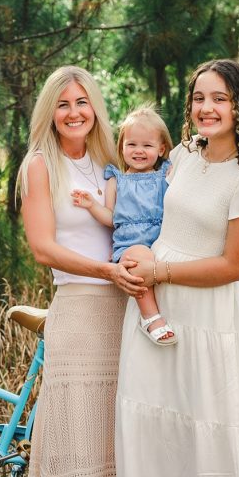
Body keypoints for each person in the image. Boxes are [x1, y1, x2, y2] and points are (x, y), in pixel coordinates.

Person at [91, 59, 239, 477]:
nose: (206, 108)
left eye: (219, 98)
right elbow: (142, 209)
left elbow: (235, 264)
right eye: (199, 98)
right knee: (144, 416)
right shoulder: (180, 155)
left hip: (206, 310)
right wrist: (135, 261)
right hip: (154, 303)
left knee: (210, 421)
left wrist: (162, 268)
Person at [17, 66, 164, 477]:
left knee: (114, 421)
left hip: (125, 303)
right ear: (50, 113)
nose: (74, 112)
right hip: (80, 302)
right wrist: (104, 269)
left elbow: (145, 214)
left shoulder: (110, 160)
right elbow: (43, 248)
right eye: (63, 104)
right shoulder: (41, 165)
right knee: (76, 422)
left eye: (82, 102)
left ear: (95, 108)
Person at [72, 103, 177, 346]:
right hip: (132, 245)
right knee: (139, 260)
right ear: (122, 146)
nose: (138, 151)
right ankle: (151, 318)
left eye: (147, 145)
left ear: (161, 149)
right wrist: (91, 206)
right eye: (132, 144)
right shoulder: (117, 180)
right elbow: (111, 218)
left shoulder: (165, 176)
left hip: (162, 242)